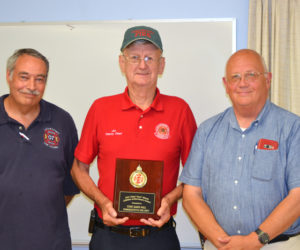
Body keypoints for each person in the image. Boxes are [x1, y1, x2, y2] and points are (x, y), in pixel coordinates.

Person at [71, 25, 197, 250]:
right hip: (108, 236)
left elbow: (196, 174)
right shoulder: (101, 108)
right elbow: (79, 168)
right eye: (134, 57)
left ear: (161, 65)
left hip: (159, 237)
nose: (142, 65)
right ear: (122, 63)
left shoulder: (180, 110)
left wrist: (169, 200)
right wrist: (102, 202)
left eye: (150, 57)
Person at [180, 49, 300, 250]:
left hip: (276, 245)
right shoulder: (207, 131)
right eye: (235, 77)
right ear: (226, 86)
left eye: (251, 75)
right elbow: (191, 194)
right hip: (219, 245)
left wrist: (255, 240)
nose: (242, 83)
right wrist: (219, 239)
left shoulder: (292, 128)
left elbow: (298, 196)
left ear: (267, 80)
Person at [0, 48, 79, 250]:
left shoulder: (62, 122)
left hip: (51, 243)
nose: (31, 86)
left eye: (40, 79)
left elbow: (70, 184)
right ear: (9, 76)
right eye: (24, 77)